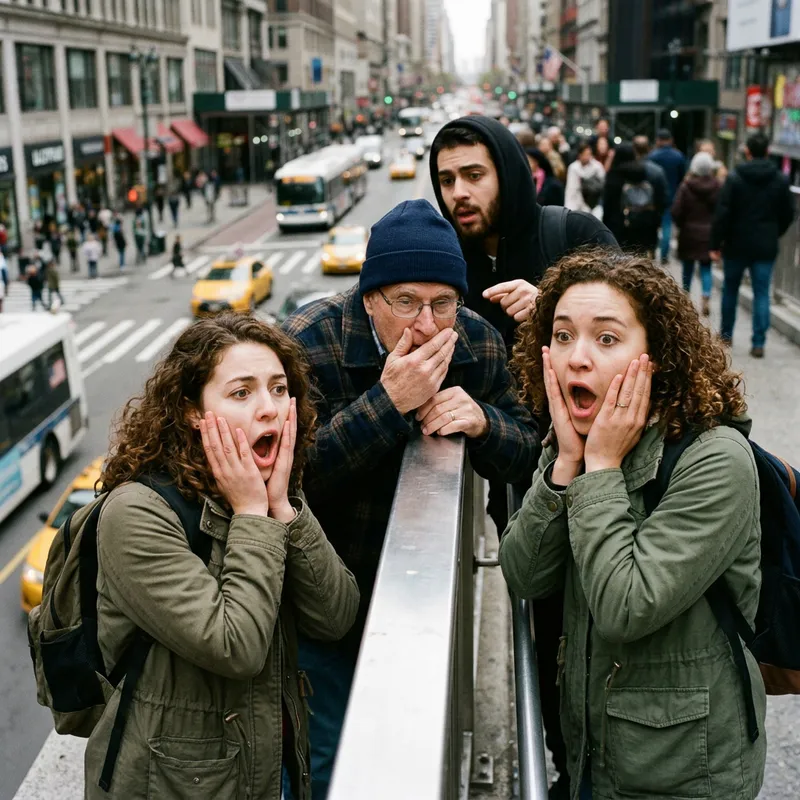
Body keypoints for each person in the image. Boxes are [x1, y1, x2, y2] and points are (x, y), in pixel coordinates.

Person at [282, 199, 540, 800]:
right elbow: (290, 481)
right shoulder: (306, 345)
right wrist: (387, 403)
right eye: (406, 302)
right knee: (322, 761)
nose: (426, 325)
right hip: (319, 591)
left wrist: (483, 422)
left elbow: (531, 450)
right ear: (371, 298)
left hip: (416, 597)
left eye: (442, 303)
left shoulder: (475, 340)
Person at [499, 248, 766, 800]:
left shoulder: (716, 461)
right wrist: (565, 467)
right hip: (591, 755)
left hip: (684, 772)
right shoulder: (577, 442)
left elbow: (627, 605)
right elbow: (525, 577)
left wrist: (598, 469)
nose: (577, 358)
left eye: (606, 339)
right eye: (564, 335)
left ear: (658, 357)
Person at [82, 314, 359, 799]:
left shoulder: (266, 490)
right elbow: (237, 646)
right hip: (174, 783)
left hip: (268, 765)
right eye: (241, 393)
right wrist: (254, 513)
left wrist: (283, 510)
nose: (269, 409)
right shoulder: (138, 513)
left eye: (278, 389)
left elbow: (336, 616)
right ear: (191, 411)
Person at [710, 132, 795, 358]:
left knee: (730, 290)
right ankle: (759, 342)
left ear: (747, 151)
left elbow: (723, 213)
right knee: (761, 292)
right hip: (765, 245)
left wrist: (716, 242)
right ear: (767, 151)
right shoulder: (779, 179)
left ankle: (726, 336)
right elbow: (788, 213)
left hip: (736, 244)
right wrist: (775, 232)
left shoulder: (735, 177)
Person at [671, 151, 720, 316]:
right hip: (709, 234)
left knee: (688, 268)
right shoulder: (717, 186)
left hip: (689, 233)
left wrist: (681, 225)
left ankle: (685, 299)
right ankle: (706, 296)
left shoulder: (686, 186)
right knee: (706, 268)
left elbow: (676, 211)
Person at [602, 141, 663, 256]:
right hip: (641, 225)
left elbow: (608, 206)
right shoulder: (643, 173)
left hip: (619, 226)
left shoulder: (614, 176)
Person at [648, 129, 687, 264]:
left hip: (653, 197)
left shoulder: (652, 156)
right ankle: (664, 255)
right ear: (671, 140)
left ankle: (651, 250)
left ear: (658, 140)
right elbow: (683, 178)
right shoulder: (679, 156)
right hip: (672, 196)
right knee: (667, 226)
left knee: (652, 225)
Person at [564, 140, 605, 216]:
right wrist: (568, 209)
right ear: (580, 155)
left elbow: (603, 183)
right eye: (585, 154)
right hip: (577, 203)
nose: (587, 157)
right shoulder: (573, 168)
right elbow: (571, 190)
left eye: (589, 154)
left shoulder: (597, 167)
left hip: (595, 203)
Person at [632, 135, 669, 215]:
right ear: (649, 149)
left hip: (629, 216)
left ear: (633, 149)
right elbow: (663, 196)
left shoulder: (624, 169)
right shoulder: (658, 170)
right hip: (651, 216)